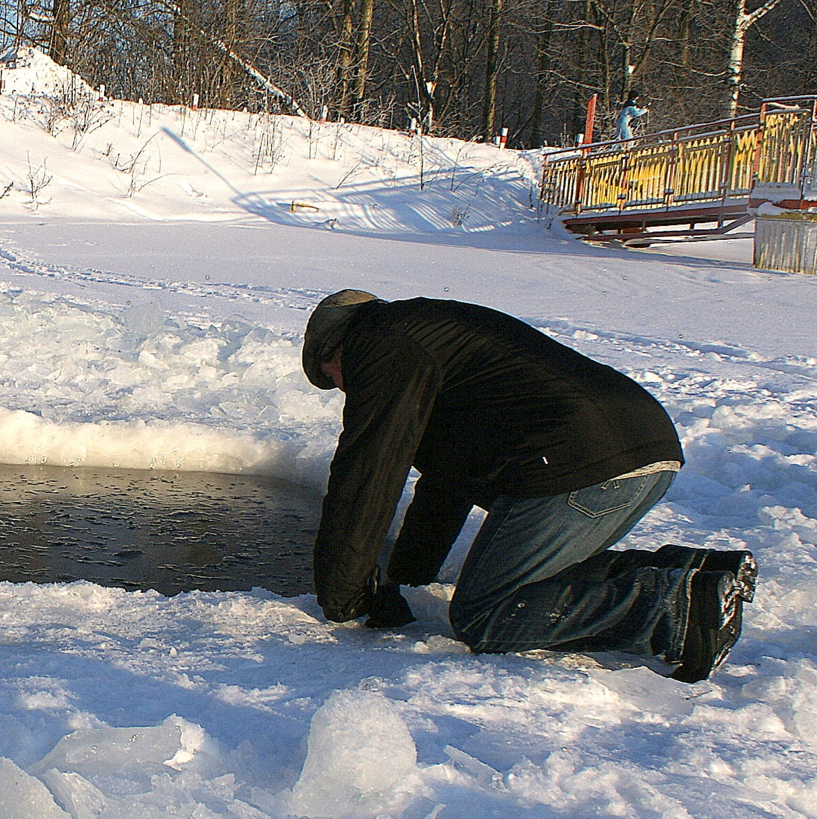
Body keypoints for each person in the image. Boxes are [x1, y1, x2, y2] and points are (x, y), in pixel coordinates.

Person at [301, 290, 755, 682]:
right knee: (536, 580)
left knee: (485, 614)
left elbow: (366, 476)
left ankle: (672, 611)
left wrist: (344, 600)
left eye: (334, 379)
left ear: (334, 350)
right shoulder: (428, 336)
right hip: (642, 444)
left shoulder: (380, 343)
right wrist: (407, 584)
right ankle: (702, 573)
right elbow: (444, 488)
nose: (345, 391)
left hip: (575, 459)